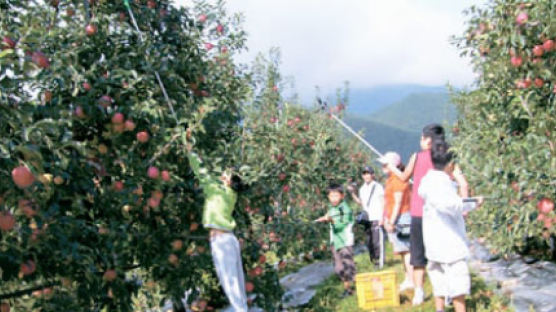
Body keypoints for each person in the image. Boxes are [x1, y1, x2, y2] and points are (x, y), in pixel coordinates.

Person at [387, 123, 468, 305]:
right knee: (444, 254)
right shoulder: (446, 158)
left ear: (427, 140)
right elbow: (463, 183)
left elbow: (403, 177)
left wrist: (391, 167)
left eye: (422, 138)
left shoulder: (417, 157)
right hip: (442, 215)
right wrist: (463, 207)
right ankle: (448, 294)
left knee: (418, 255)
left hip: (418, 211)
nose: (420, 141)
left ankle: (419, 292)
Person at [419, 140, 481, 312]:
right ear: (451, 163)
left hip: (433, 241)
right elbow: (452, 205)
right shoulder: (441, 184)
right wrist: (473, 202)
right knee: (457, 283)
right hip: (449, 242)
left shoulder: (429, 180)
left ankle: (440, 310)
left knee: (438, 278)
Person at [186, 145, 248, 311]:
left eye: (227, 173)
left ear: (229, 181)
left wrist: (190, 150)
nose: (223, 173)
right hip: (228, 239)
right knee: (237, 281)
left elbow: (202, 172)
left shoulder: (217, 191)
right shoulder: (231, 194)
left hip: (222, 242)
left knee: (230, 281)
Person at [378, 152, 413, 293]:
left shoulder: (398, 180)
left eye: (386, 164)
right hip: (396, 217)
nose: (383, 167)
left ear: (394, 165)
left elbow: (398, 203)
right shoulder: (391, 179)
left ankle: (411, 279)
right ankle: (408, 278)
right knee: (402, 250)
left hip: (402, 218)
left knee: (406, 250)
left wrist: (391, 221)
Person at [316, 184, 356, 297]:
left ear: (342, 196)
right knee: (339, 268)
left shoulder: (345, 209)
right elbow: (329, 215)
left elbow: (340, 225)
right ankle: (347, 288)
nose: (333, 198)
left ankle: (356, 286)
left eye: (336, 196)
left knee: (348, 265)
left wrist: (330, 220)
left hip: (345, 241)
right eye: (331, 196)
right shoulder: (332, 208)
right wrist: (324, 218)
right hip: (335, 241)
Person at [349, 166, 385, 269]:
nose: (366, 175)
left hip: (376, 217)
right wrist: (352, 193)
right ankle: (374, 260)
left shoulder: (378, 187)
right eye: (364, 173)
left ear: (372, 174)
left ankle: (380, 262)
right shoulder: (362, 189)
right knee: (369, 241)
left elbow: (383, 202)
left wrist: (383, 216)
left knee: (377, 241)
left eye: (368, 173)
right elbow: (361, 203)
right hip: (367, 219)